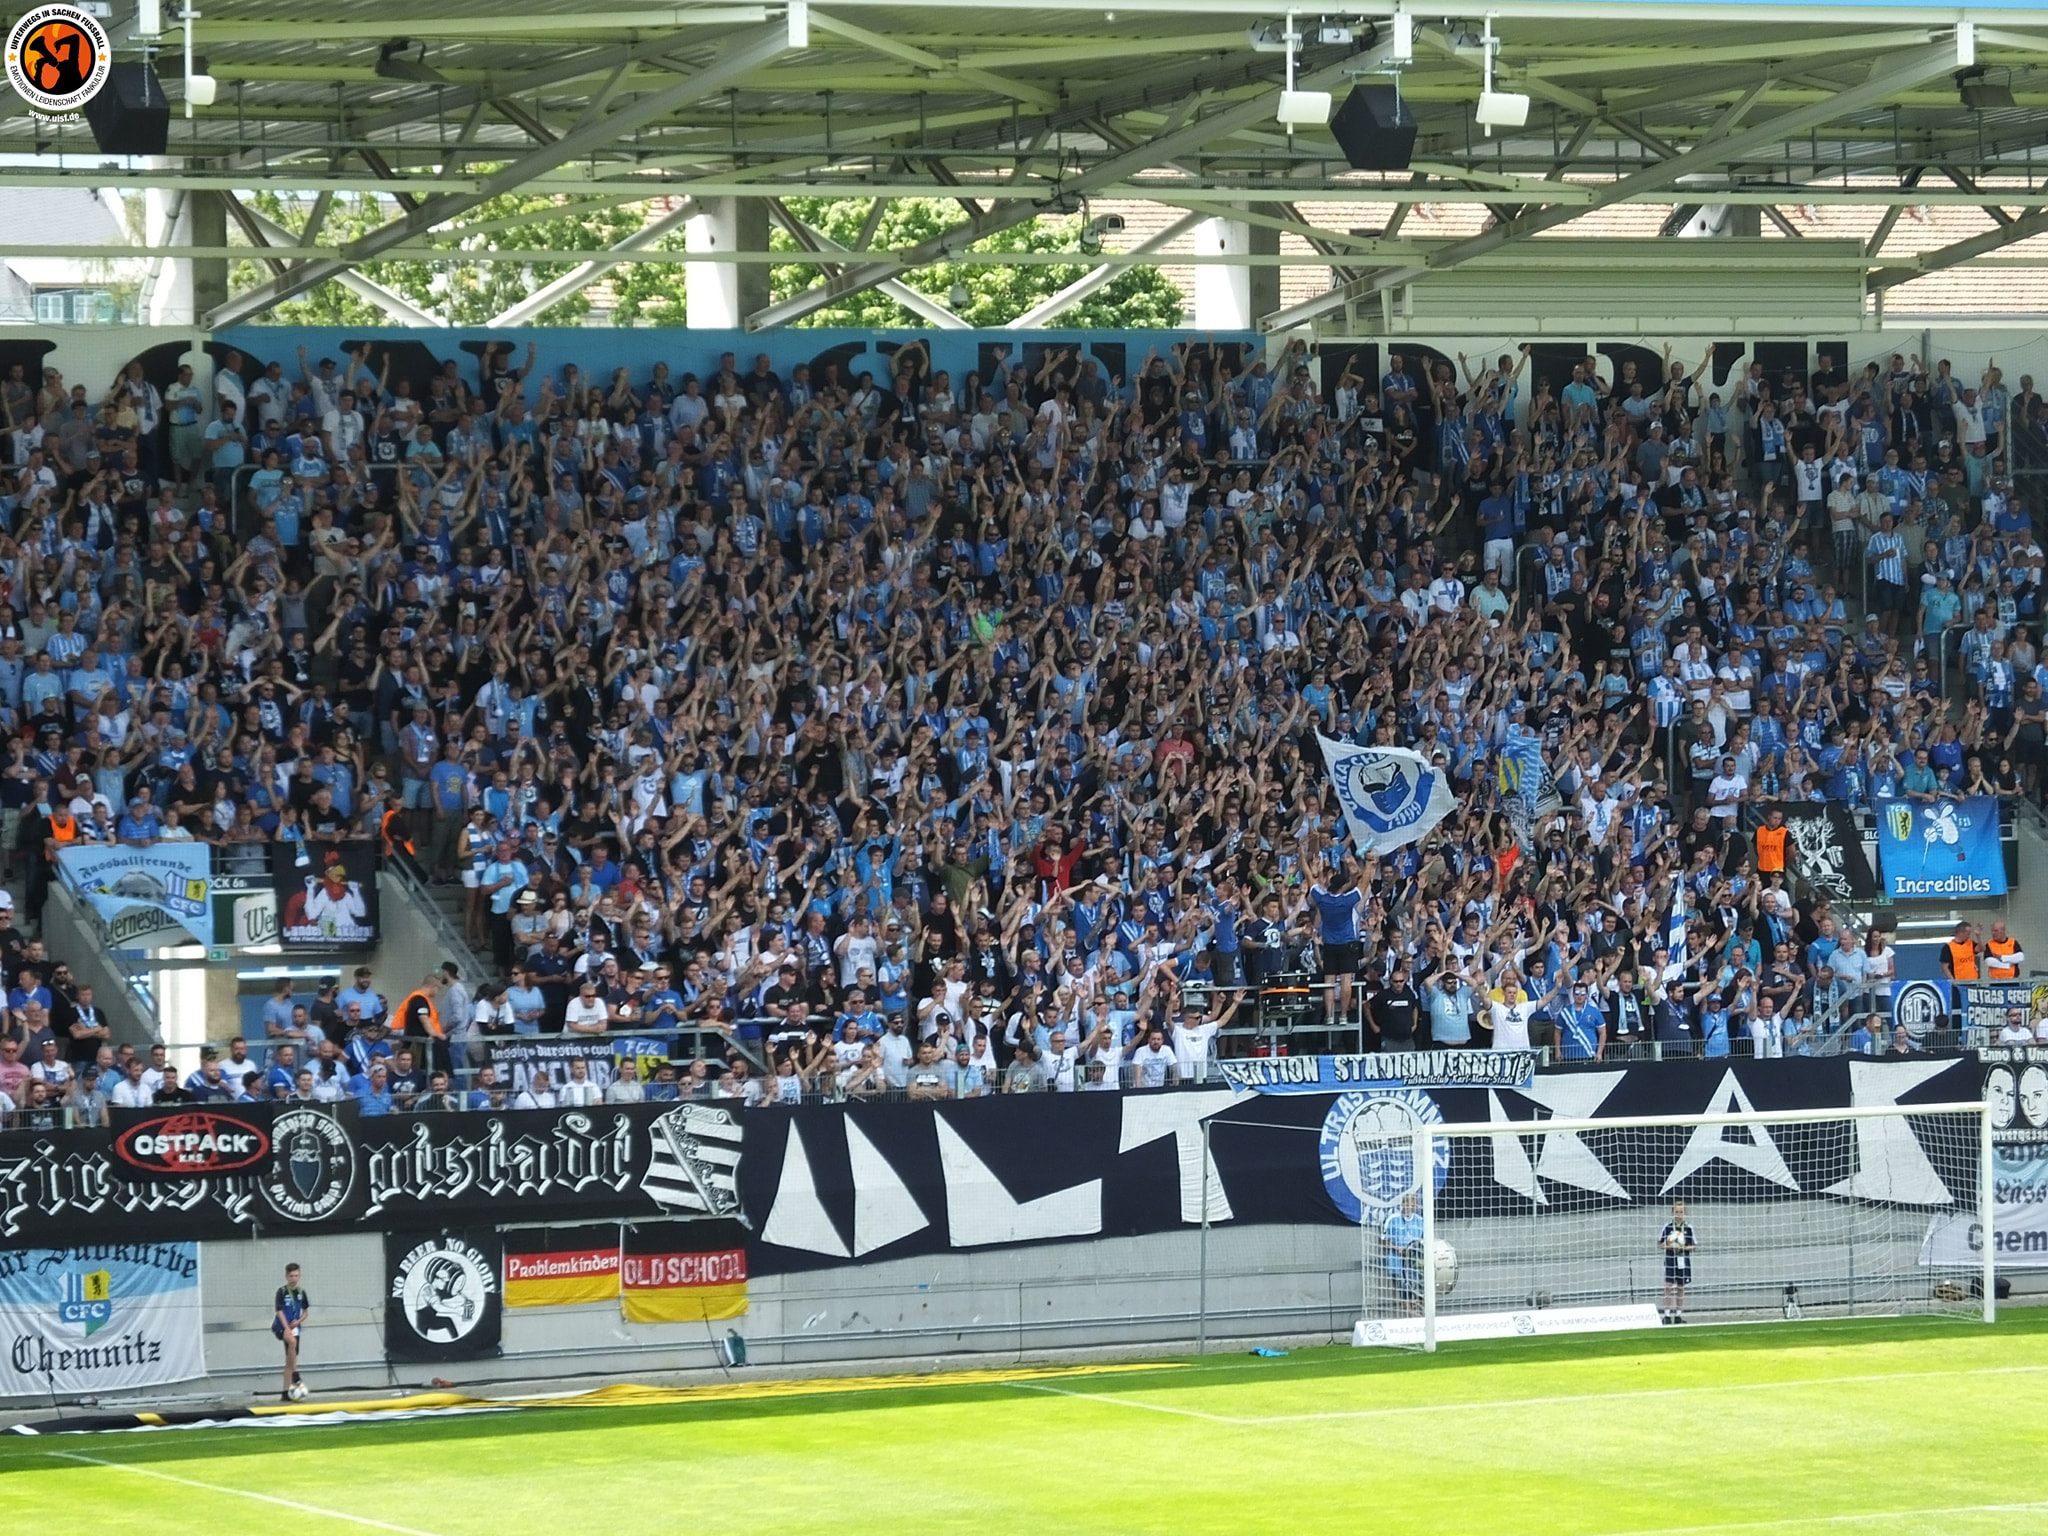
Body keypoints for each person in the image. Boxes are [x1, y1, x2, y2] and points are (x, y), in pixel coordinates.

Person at [1382, 1191, 1425, 1316]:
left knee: (1417, 1284)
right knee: (1403, 1286)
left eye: (1413, 1203)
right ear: (1403, 1204)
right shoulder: (1392, 1219)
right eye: (1408, 1203)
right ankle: (1407, 1310)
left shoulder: (1420, 1221)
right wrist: (1397, 1248)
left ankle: (1418, 1308)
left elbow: (1425, 1241)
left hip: (1414, 1260)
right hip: (1396, 1260)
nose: (1410, 1206)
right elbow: (1382, 1241)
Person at [272, 1261, 310, 1400]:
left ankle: (285, 1392)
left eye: (296, 1275)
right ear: (286, 1277)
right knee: (292, 1342)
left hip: (295, 1328)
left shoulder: (301, 1292)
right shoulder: (282, 1292)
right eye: (291, 1276)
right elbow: (279, 1311)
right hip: (281, 1327)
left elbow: (306, 1312)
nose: (294, 1278)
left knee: (290, 1359)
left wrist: (298, 1322)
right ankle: (296, 1375)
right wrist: (287, 1328)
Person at [1658, 1200, 1695, 1324]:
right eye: (1676, 1212)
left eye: (1681, 1212)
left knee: (1681, 1287)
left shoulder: (1689, 1228)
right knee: (1668, 1286)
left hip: (1683, 1260)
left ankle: (1678, 1315)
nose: (1679, 1214)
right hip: (1670, 1259)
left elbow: (1693, 1246)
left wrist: (1683, 1247)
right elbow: (1660, 1244)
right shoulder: (1667, 1227)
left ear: (1685, 1213)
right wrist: (1670, 1245)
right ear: (1672, 1213)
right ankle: (1667, 1315)